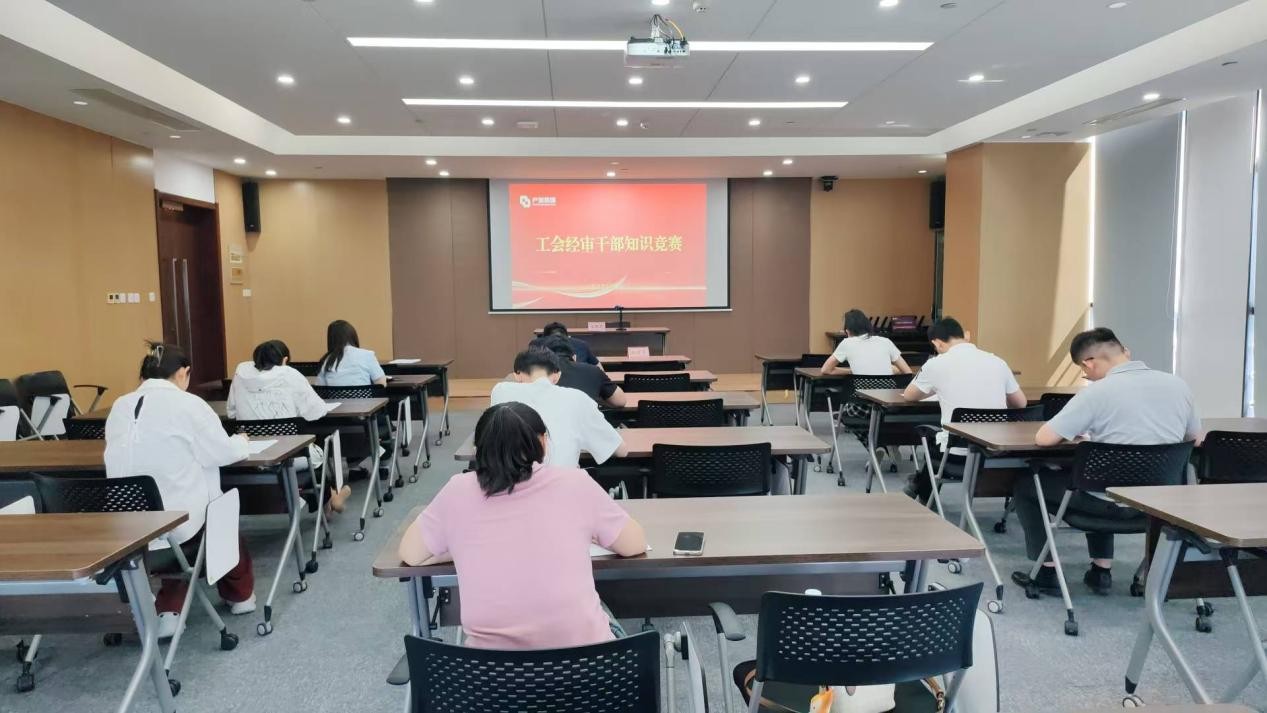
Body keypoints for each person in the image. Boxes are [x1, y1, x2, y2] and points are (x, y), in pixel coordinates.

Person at [397, 402, 647, 649]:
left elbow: (411, 554)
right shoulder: (576, 483)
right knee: (601, 614)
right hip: (583, 668)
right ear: (543, 443)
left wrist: (460, 545)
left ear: (477, 450)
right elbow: (634, 544)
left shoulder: (457, 491)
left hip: (490, 672)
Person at [1014, 327, 1200, 595]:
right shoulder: (1178, 386)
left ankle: (1047, 571)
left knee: (1027, 485)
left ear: (1089, 362)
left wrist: (1077, 433)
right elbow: (1194, 438)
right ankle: (1100, 570)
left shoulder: (1096, 393)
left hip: (1105, 502)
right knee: (1100, 474)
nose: (1087, 377)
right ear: (1126, 353)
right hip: (1160, 505)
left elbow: (1044, 439)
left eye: (1083, 371)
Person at [104, 342, 255, 638]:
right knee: (219, 510)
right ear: (184, 373)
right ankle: (240, 597)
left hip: (126, 534)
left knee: (178, 515)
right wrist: (242, 442)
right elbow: (222, 453)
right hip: (178, 532)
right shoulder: (189, 405)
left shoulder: (119, 406)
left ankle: (170, 609)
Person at [901, 317, 1026, 500]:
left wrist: (937, 388)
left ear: (937, 343)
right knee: (944, 437)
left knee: (934, 437)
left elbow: (910, 395)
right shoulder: (997, 361)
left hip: (957, 456)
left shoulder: (936, 364)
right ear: (965, 336)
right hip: (997, 453)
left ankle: (923, 492)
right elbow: (1021, 403)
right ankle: (919, 486)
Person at [226, 339, 352, 513]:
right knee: (318, 452)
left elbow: (231, 412)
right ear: (285, 360)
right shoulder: (290, 374)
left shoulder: (240, 375)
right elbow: (316, 412)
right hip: (291, 457)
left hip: (251, 457)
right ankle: (329, 499)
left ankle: (330, 499)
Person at [490, 349, 627, 467]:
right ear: (557, 376)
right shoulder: (578, 398)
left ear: (517, 375)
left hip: (510, 483)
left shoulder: (500, 391)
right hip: (562, 486)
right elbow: (621, 451)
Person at [532, 335, 626, 407]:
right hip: (586, 425)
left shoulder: (535, 374)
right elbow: (620, 401)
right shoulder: (593, 371)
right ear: (574, 357)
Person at [822, 309, 912, 376]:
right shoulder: (886, 342)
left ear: (847, 331)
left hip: (861, 395)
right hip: (887, 394)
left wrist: (852, 371)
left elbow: (826, 370)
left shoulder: (847, 343)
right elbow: (908, 372)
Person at [316, 319, 387, 387]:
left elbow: (320, 388)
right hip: (364, 396)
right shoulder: (367, 355)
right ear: (352, 335)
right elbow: (381, 384)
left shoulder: (326, 361)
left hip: (335, 396)